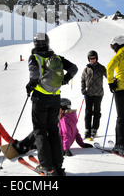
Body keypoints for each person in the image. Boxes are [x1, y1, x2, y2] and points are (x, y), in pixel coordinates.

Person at [26, 32, 78, 176]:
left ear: (35, 43)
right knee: (54, 131)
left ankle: (47, 167)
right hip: (55, 99)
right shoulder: (57, 58)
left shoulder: (34, 58)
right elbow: (73, 68)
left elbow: (34, 76)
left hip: (40, 100)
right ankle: (58, 165)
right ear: (47, 43)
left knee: (40, 132)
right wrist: (65, 80)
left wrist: (29, 87)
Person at [81, 50, 106, 139]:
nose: (92, 60)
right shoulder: (86, 70)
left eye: (94, 58)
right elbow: (83, 80)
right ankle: (87, 129)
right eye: (91, 59)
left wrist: (114, 81)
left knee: (96, 112)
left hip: (98, 93)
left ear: (96, 58)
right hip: (88, 94)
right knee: (88, 112)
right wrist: (83, 89)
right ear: (88, 59)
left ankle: (94, 128)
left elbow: (108, 75)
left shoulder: (101, 68)